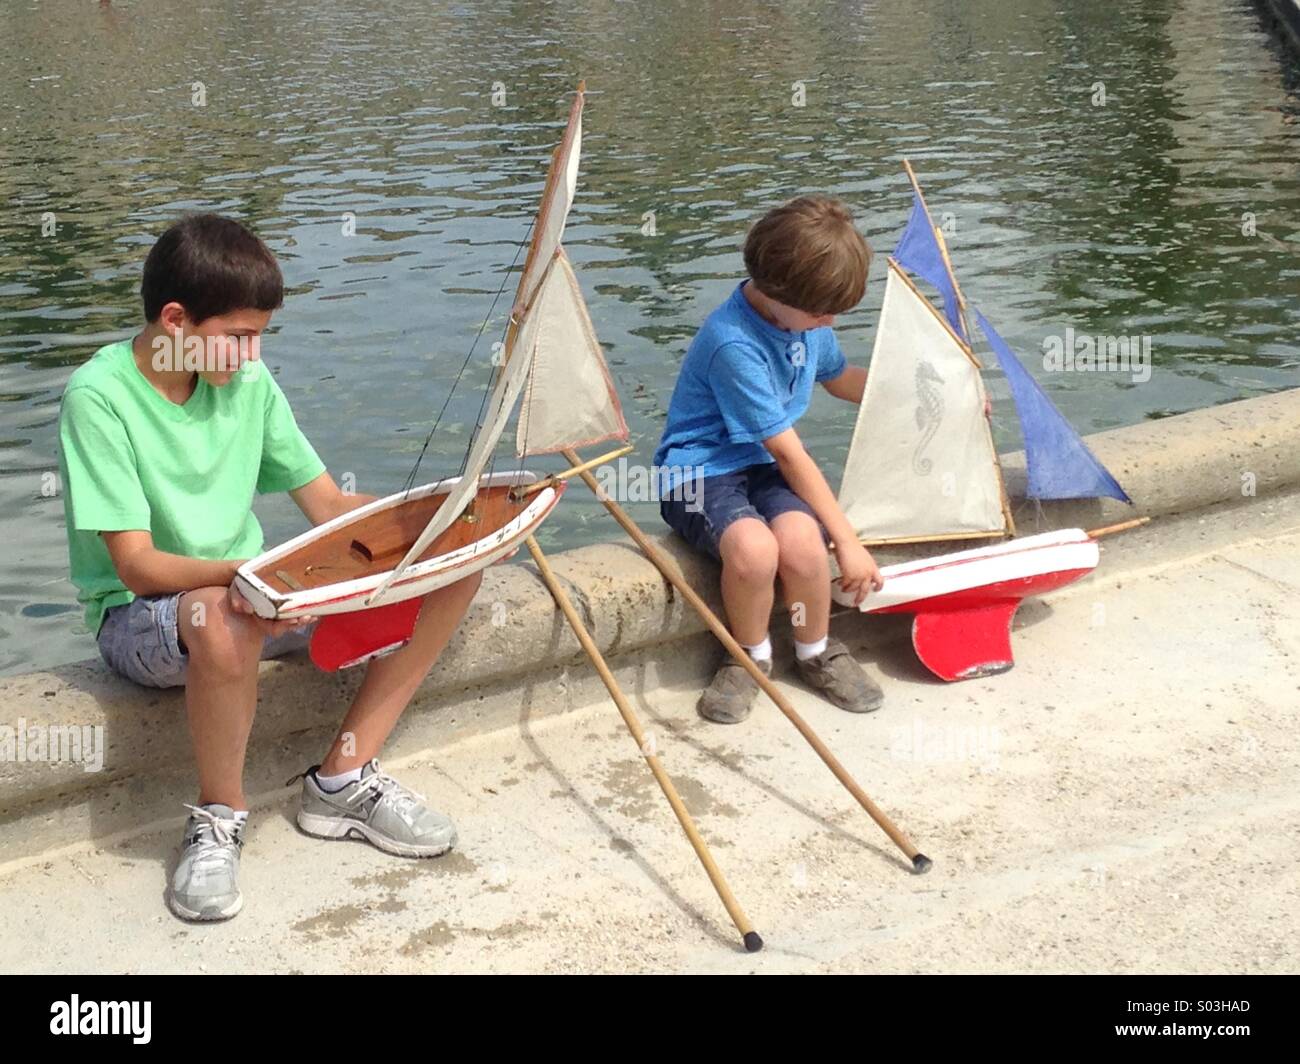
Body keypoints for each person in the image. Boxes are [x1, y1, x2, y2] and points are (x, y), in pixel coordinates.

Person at [58, 214, 478, 922]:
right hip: (151, 617)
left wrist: (438, 519)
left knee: (455, 570)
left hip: (257, 590)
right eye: (239, 337)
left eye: (260, 338)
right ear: (175, 321)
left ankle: (344, 779)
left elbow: (329, 504)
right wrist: (246, 577)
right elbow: (135, 566)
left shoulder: (245, 382)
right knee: (221, 618)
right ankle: (219, 817)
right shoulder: (98, 399)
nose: (252, 356)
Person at [654, 196, 885, 724]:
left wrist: (920, 393)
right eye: (821, 312)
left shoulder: (804, 321)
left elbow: (840, 378)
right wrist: (847, 542)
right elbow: (789, 451)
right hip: (700, 471)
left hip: (760, 464)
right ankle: (750, 656)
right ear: (778, 292)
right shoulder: (733, 345)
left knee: (804, 547)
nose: (829, 321)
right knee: (756, 552)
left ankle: (815, 651)